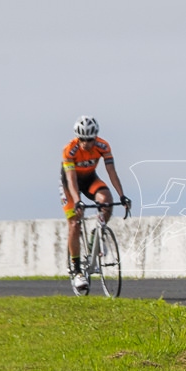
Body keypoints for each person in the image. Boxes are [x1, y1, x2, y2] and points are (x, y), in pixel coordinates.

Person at [60, 116, 131, 293]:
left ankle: (96, 236)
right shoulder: (70, 150)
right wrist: (77, 201)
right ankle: (77, 271)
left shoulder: (103, 146)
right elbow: (71, 178)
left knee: (106, 201)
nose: (86, 143)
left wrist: (122, 196)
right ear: (78, 137)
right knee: (75, 222)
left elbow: (111, 172)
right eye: (83, 139)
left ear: (95, 137)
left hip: (90, 179)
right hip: (70, 185)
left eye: (90, 139)